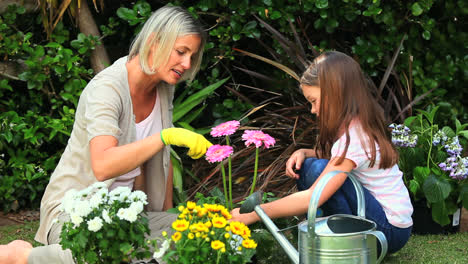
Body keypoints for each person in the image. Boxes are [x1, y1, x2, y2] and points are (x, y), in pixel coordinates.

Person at [0, 5, 211, 264]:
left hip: (125, 214)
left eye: (192, 55)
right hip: (76, 210)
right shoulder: (107, 88)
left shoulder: (164, 88)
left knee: (197, 239)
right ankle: (22, 257)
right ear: (155, 41)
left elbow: (160, 157)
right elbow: (103, 165)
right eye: (181, 52)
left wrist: (165, 220)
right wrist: (164, 137)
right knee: (108, 254)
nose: (187, 64)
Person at [231, 51, 413, 254]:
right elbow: (339, 157)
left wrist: (255, 213)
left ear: (336, 93)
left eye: (314, 101)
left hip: (387, 232)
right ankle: (330, 234)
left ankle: (342, 243)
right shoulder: (358, 125)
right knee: (311, 166)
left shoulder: (355, 137)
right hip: (391, 226)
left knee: (318, 171)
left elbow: (312, 198)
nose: (312, 109)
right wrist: (306, 152)